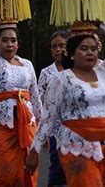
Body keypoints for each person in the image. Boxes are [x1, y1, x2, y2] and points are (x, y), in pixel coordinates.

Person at [26, 24, 105, 186]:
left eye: (93, 48)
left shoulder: (102, 74)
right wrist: (34, 151)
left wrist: (100, 24)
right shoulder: (61, 80)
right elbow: (48, 118)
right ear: (71, 53)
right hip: (76, 146)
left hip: (104, 145)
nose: (90, 52)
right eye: (84, 48)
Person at [0, 19, 42, 186]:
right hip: (0, 126)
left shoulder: (27, 64)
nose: (9, 44)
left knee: (28, 172)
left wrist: (42, 129)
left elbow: (34, 96)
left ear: (18, 44)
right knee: (5, 175)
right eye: (4, 40)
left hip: (27, 124)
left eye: (13, 40)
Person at [37, 30, 69, 186]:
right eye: (54, 46)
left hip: (80, 130)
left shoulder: (82, 68)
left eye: (62, 45)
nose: (58, 49)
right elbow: (40, 101)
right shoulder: (47, 73)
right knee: (57, 171)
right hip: (56, 130)